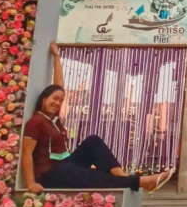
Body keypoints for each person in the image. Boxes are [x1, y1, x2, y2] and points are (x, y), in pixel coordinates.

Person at [21, 43, 174, 193]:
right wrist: (31, 184)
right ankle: (143, 182)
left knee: (93, 141)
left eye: (60, 100)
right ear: (43, 99)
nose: (57, 103)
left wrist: (56, 57)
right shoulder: (36, 122)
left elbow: (59, 85)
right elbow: (27, 153)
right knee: (95, 177)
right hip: (51, 175)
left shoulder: (53, 120)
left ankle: (122, 177)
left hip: (65, 165)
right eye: (54, 99)